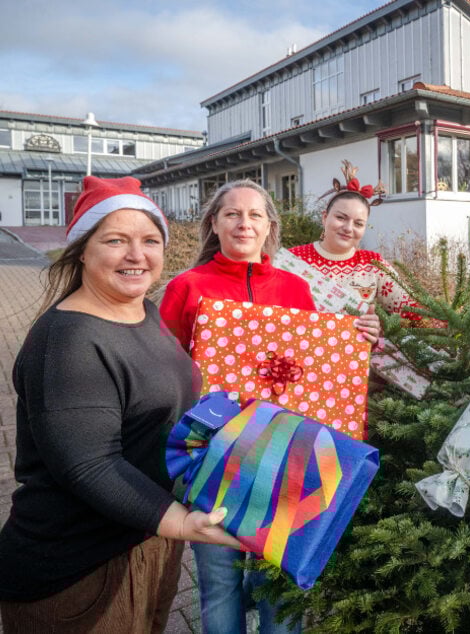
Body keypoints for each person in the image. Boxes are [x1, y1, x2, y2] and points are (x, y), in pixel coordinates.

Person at [0, 176, 239, 633]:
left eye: (150, 240)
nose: (137, 255)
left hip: (146, 536)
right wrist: (185, 525)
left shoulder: (144, 312)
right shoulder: (68, 341)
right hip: (76, 568)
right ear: (81, 250)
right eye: (116, 240)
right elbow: (91, 466)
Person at [160, 179, 380, 634]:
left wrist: (357, 338)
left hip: (285, 461)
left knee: (277, 588)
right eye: (233, 214)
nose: (244, 223)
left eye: (255, 215)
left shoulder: (296, 288)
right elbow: (162, 372)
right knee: (219, 584)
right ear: (214, 223)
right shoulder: (187, 287)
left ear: (269, 227)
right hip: (212, 460)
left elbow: (313, 366)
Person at [285, 161, 418, 318]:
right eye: (341, 218)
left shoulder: (372, 264)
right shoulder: (293, 260)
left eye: (358, 223)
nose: (348, 228)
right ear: (324, 218)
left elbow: (412, 311)